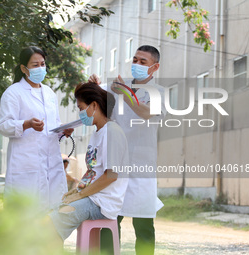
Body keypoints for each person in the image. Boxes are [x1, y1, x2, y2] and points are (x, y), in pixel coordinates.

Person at [90, 45, 166, 254]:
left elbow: (146, 113)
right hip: (116, 165)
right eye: (135, 60)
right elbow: (94, 109)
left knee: (143, 226)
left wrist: (125, 93)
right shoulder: (114, 88)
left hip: (142, 167)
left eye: (143, 62)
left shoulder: (159, 92)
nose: (137, 65)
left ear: (155, 67)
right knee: (110, 220)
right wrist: (94, 88)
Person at [49, 82, 129, 242]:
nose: (80, 113)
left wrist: (81, 195)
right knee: (51, 210)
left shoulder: (112, 132)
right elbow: (92, 171)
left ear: (93, 105)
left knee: (53, 221)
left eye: (80, 108)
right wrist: (77, 190)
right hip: (92, 197)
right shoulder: (97, 133)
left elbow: (111, 176)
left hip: (103, 203)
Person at [0, 46, 73, 210]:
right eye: (35, 65)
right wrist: (27, 124)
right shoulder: (13, 93)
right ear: (24, 68)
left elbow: (53, 127)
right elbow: (3, 126)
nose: (40, 68)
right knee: (25, 218)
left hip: (51, 165)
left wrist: (63, 131)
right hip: (26, 166)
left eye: (43, 64)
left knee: (51, 217)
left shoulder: (50, 93)